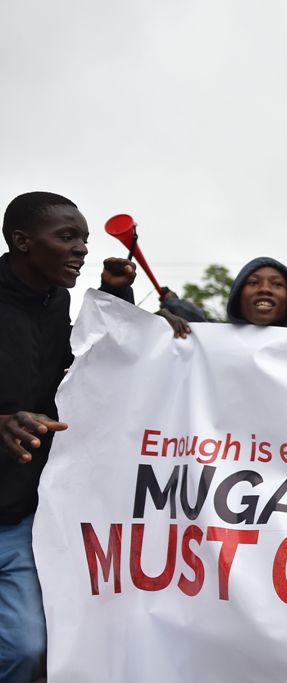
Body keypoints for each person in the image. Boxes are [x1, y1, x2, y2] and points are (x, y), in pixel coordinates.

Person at [0, 191, 136, 683]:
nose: (81, 248)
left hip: (17, 517)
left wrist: (117, 296)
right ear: (22, 242)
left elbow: (88, 369)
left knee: (27, 650)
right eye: (67, 237)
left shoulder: (57, 302)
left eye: (84, 238)